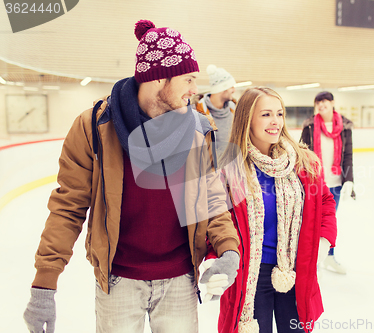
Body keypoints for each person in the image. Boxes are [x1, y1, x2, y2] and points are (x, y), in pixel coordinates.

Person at [23, 20, 240, 333]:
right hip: (119, 281)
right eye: (189, 78)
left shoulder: (196, 130)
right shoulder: (93, 127)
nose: (196, 89)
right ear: (158, 77)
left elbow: (210, 199)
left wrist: (228, 250)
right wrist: (44, 285)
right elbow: (68, 207)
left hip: (180, 279)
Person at [214, 87, 337, 333]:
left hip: (294, 271)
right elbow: (216, 222)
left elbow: (325, 202)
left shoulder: (303, 163)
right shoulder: (231, 170)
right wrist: (214, 260)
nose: (275, 122)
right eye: (266, 114)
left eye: (279, 114)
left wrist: (323, 241)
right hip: (250, 276)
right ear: (247, 119)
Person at [300, 91, 355, 275]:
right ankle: (313, 258)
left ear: (332, 103)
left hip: (336, 182)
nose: (321, 104)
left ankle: (329, 257)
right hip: (316, 183)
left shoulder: (345, 127)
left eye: (324, 101)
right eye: (318, 102)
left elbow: (348, 155)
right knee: (312, 220)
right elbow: (303, 153)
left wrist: (349, 181)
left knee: (329, 221)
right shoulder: (309, 126)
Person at [193, 64, 237, 161]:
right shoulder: (197, 111)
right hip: (208, 169)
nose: (234, 90)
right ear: (222, 88)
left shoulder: (234, 109)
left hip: (231, 168)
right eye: (231, 86)